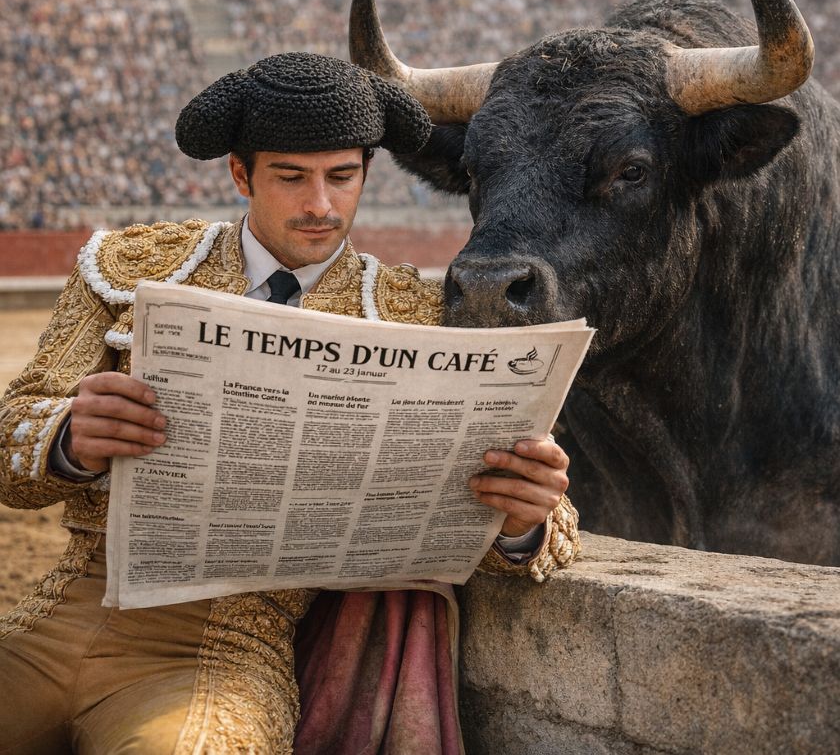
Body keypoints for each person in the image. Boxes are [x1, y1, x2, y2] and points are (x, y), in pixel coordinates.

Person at [0, 52, 580, 754]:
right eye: (290, 177)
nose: (320, 206)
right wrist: (68, 436)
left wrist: (527, 514)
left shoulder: (418, 320)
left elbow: (531, 523)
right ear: (241, 174)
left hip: (218, 656)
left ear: (367, 172)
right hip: (58, 617)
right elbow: (10, 438)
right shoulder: (133, 265)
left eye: (342, 177)